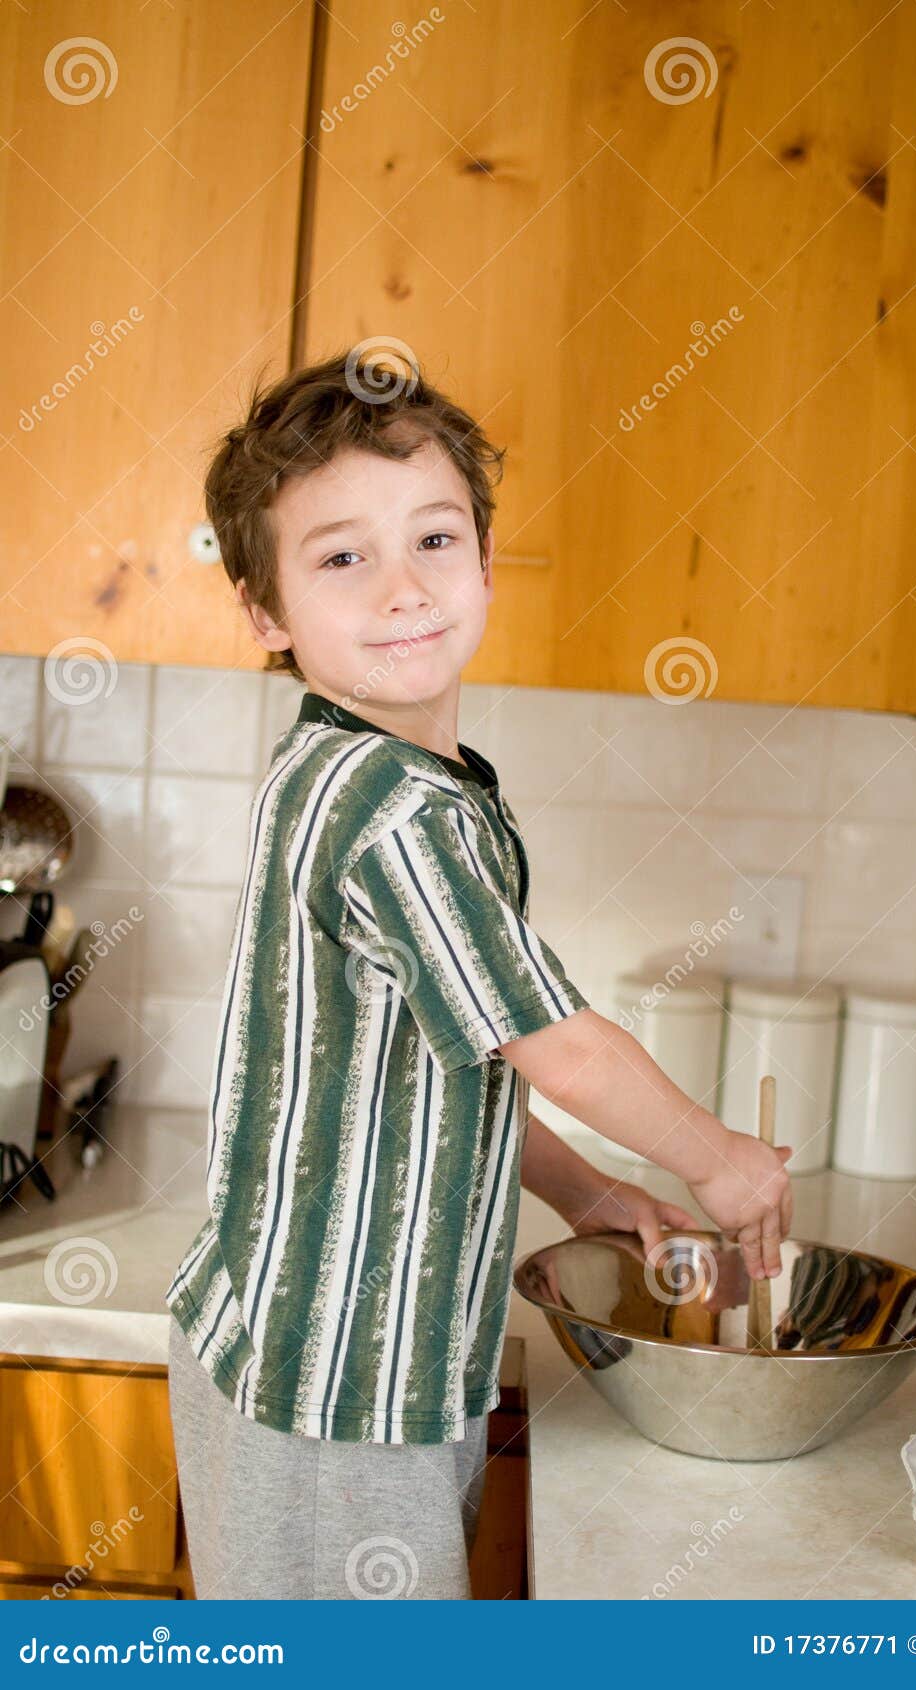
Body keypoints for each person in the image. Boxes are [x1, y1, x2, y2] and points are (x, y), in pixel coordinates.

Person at [164, 349, 793, 1601]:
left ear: (487, 562)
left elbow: (435, 1062)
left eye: (434, 539)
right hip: (337, 1389)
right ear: (267, 612)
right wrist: (715, 1157)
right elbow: (555, 1039)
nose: (403, 587)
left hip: (333, 1361)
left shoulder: (356, 774)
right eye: (342, 557)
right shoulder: (395, 810)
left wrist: (582, 1184)